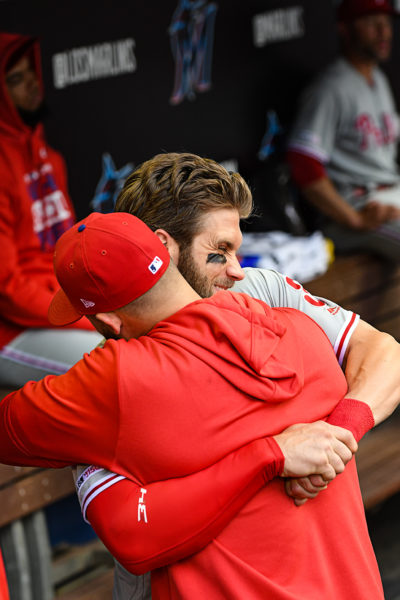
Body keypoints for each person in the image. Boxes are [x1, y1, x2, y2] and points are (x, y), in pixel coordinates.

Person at [0, 212, 392, 598]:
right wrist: (295, 447)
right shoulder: (300, 328)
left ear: (106, 320)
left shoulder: (112, 381)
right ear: (166, 255)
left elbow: (7, 432)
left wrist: (270, 454)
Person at [107, 151, 400, 598]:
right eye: (218, 252)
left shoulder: (258, 288)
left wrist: (336, 435)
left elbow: (384, 352)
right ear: (163, 250)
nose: (236, 269)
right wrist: (274, 455)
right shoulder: (115, 361)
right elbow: (132, 528)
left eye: (235, 249)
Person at [0, 32, 101, 387]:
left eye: (31, 73)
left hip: (61, 305)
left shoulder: (48, 155)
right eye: (15, 79)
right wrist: (89, 316)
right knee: (117, 366)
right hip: (11, 330)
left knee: (158, 338)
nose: (31, 84)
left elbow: (71, 245)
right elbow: (7, 290)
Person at [287, 0, 400, 259]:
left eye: (386, 22)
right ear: (344, 29)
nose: (384, 32)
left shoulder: (378, 79)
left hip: (391, 193)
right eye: (372, 23)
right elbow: (303, 163)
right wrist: (354, 219)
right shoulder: (330, 88)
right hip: (357, 207)